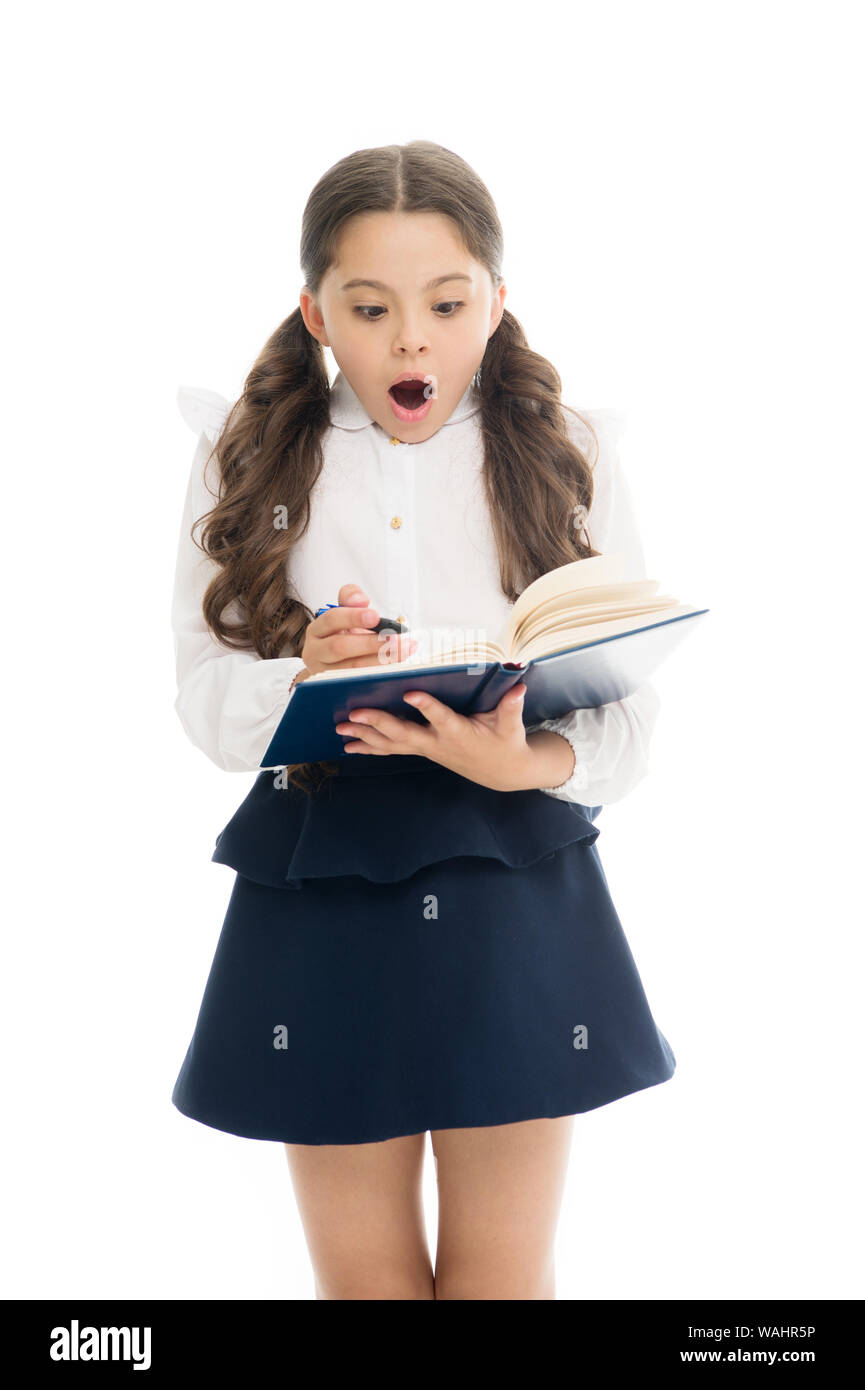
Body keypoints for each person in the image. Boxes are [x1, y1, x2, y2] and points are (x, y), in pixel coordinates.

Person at [170, 140, 675, 1301]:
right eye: (370, 306)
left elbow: (630, 712)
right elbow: (202, 697)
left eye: (447, 304)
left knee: (502, 1282)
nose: (412, 340)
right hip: (322, 869)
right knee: (366, 1289)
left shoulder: (568, 451)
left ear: (497, 305)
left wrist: (528, 758)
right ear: (314, 315)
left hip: (511, 863)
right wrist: (305, 673)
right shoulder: (243, 455)